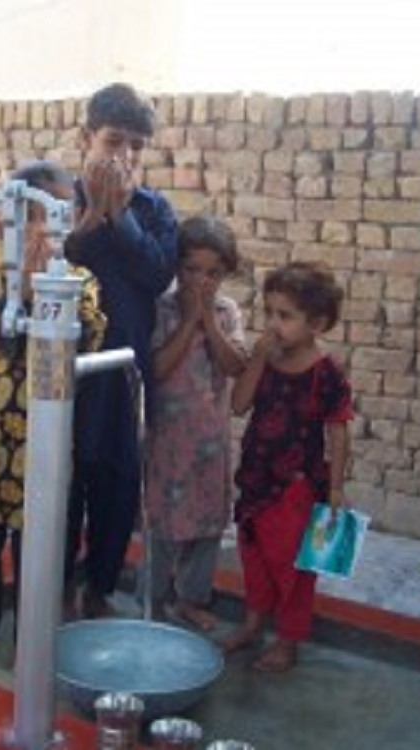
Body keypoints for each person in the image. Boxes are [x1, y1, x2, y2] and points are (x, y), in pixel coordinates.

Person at [0, 161, 106, 669]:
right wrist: (18, 291)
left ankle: (31, 642)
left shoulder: (80, 281)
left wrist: (46, 292)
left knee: (39, 539)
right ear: (15, 219)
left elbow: (88, 338)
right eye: (36, 215)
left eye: (60, 213)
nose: (46, 228)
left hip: (47, 430)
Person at [63, 82, 179, 619]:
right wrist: (94, 216)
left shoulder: (154, 210)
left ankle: (100, 590)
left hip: (126, 373)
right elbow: (54, 264)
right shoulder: (57, 200)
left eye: (136, 145)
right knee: (63, 483)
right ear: (85, 138)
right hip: (64, 372)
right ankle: (55, 590)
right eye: (113, 141)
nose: (125, 156)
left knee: (118, 485)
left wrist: (122, 217)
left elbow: (157, 275)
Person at [221, 261, 353, 672]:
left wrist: (335, 489)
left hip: (296, 488)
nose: (273, 325)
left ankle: (288, 640)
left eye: (285, 316)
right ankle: (253, 623)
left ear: (317, 324)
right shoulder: (266, 361)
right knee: (254, 557)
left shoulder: (326, 373)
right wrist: (258, 360)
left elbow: (338, 431)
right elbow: (238, 404)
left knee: (292, 567)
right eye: (270, 313)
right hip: (255, 479)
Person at [144, 216, 247, 631]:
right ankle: (153, 599)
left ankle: (191, 598)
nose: (202, 281)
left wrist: (208, 321)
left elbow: (236, 365)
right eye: (192, 269)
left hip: (209, 441)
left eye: (213, 273)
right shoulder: (161, 309)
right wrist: (189, 321)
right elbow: (156, 369)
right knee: (162, 522)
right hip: (166, 440)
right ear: (176, 267)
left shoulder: (227, 312)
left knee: (207, 523)